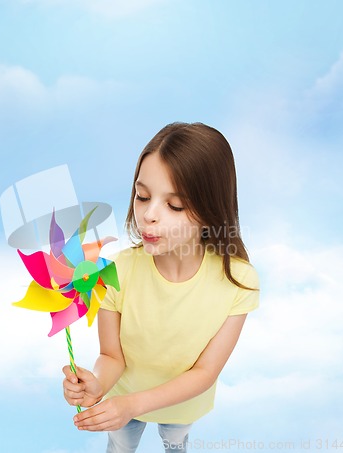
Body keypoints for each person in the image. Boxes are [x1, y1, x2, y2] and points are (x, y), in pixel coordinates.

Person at [62, 122, 260, 452]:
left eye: (175, 205)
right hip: (122, 398)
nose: (149, 215)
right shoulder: (115, 271)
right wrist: (96, 386)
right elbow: (112, 355)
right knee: (120, 446)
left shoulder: (238, 281)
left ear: (212, 211)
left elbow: (204, 372)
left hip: (181, 404)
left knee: (175, 442)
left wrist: (133, 405)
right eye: (142, 196)